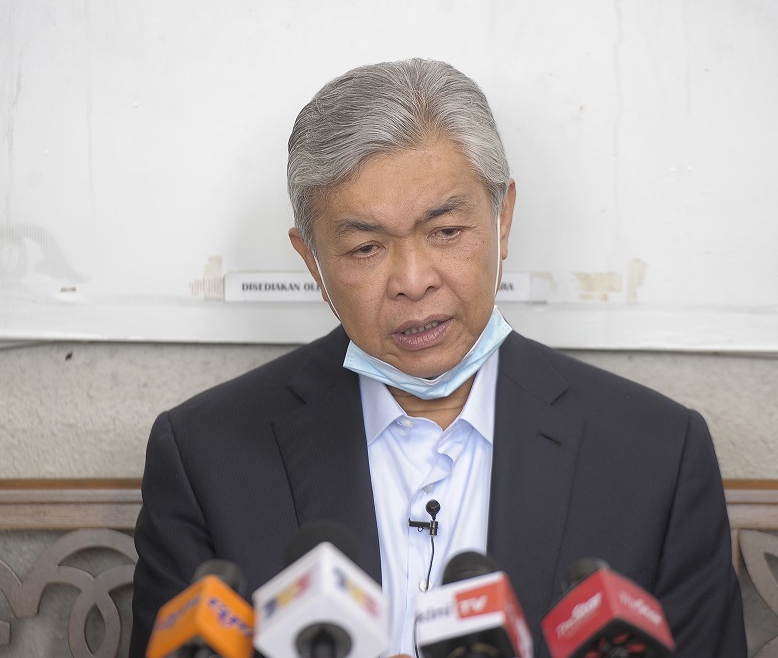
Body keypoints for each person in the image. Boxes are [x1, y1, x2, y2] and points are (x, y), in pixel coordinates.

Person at [130, 58, 746, 657]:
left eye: (446, 232)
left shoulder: (657, 452)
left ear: (503, 219)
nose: (413, 280)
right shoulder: (205, 454)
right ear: (312, 260)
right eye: (366, 247)